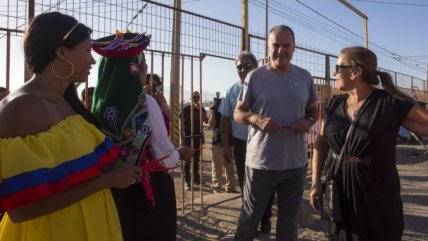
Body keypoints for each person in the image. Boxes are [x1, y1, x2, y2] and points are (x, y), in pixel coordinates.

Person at [0, 12, 142, 241]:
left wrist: (111, 171)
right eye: (87, 51)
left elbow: (65, 173)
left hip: (88, 225)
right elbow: (21, 210)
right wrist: (106, 181)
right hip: (53, 232)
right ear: (62, 52)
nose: (93, 61)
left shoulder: (65, 102)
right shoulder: (22, 107)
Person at [309, 46, 428, 241]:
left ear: (355, 72)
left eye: (339, 68)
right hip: (340, 192)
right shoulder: (334, 104)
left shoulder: (389, 104)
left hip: (377, 195)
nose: (334, 73)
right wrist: (315, 182)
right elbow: (321, 143)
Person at [91, 33, 193, 241]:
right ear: (133, 69)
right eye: (144, 66)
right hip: (148, 190)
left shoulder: (98, 105)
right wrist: (180, 153)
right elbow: (165, 154)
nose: (146, 72)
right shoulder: (146, 102)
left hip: (112, 192)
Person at [233, 25, 318, 241]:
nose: (281, 50)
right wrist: (256, 119)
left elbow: (313, 111)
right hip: (261, 163)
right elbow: (238, 113)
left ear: (294, 47)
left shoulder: (305, 77)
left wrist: (308, 122)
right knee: (250, 218)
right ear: (267, 47)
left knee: (289, 224)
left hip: (295, 166)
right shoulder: (255, 77)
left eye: (286, 45)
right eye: (276, 45)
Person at [219, 50, 274, 234]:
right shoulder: (232, 91)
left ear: (256, 66)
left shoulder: (268, 87)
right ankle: (250, 222)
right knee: (245, 184)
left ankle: (265, 222)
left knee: (265, 183)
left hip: (265, 143)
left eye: (247, 66)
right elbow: (225, 121)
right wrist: (226, 146)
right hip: (242, 144)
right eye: (239, 67)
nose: (243, 69)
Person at [209, 92, 236, 193]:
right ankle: (216, 188)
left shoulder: (233, 111)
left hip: (230, 141)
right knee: (217, 167)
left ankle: (231, 187)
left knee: (230, 167)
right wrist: (213, 111)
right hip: (217, 142)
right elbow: (211, 124)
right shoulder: (216, 110)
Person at [180, 91, 208, 190]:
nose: (196, 98)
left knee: (196, 160)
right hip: (188, 138)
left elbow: (206, 120)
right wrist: (181, 138)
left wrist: (199, 110)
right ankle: (187, 181)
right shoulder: (186, 109)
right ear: (191, 98)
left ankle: (196, 179)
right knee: (187, 160)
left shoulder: (201, 109)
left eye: (197, 97)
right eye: (194, 97)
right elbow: (181, 124)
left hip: (198, 137)